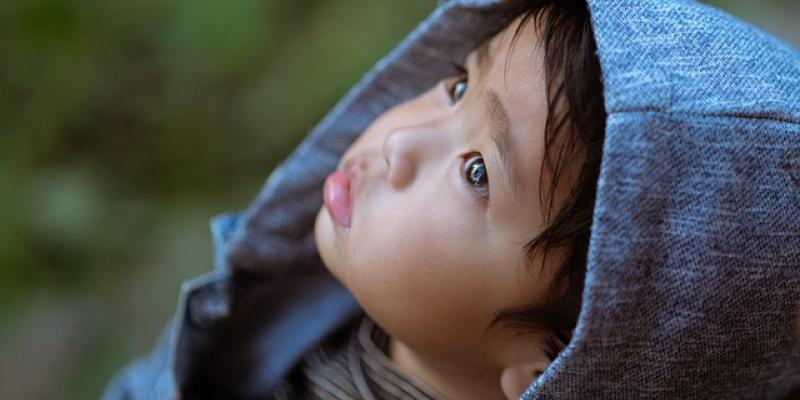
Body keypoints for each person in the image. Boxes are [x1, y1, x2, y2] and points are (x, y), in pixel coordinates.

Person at [104, 0, 800, 399]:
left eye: (477, 173)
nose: (403, 140)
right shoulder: (300, 307)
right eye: (458, 87)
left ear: (547, 367)